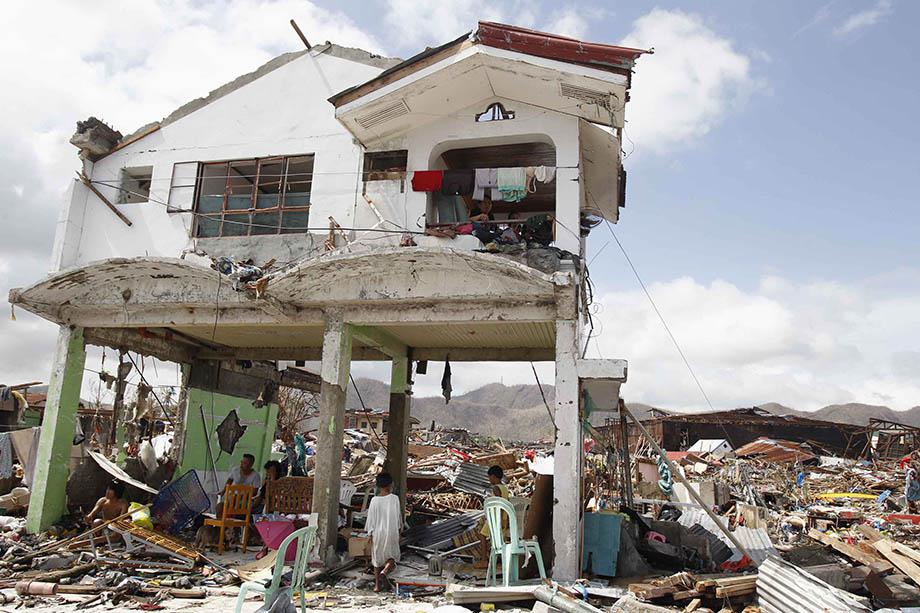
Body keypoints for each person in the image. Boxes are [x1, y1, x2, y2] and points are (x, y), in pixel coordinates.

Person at [366, 473, 402, 592]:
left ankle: (377, 586)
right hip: (391, 531)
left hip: (377, 532)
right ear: (390, 484)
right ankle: (385, 571)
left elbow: (370, 519)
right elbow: (398, 517)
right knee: (392, 556)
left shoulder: (374, 500)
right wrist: (399, 529)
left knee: (377, 558)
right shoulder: (394, 499)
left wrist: (370, 533)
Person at [476, 465, 510, 568]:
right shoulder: (505, 488)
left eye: (489, 477)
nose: (489, 479)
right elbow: (507, 503)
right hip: (503, 518)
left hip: (495, 518)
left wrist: (496, 519)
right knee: (496, 539)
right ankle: (492, 560)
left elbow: (499, 503)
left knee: (482, 535)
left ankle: (484, 560)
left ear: (494, 477)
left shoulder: (496, 488)